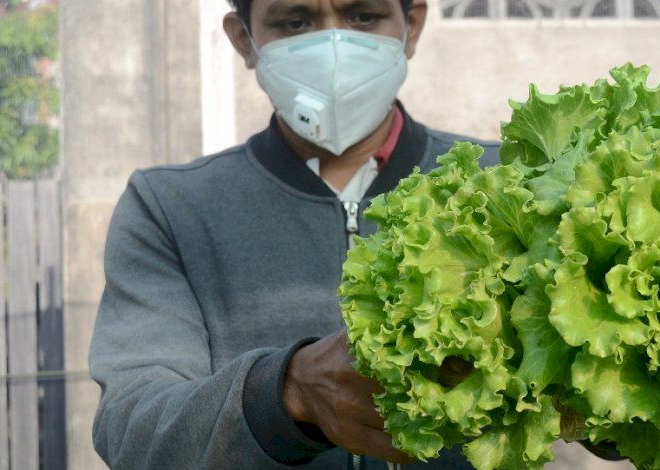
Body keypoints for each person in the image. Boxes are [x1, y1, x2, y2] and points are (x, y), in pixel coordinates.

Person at [89, 0, 501, 468]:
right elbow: (135, 428)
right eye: (295, 21)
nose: (334, 45)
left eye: (363, 16)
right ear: (243, 39)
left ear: (413, 24)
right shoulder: (169, 208)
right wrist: (284, 394)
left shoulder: (503, 185)